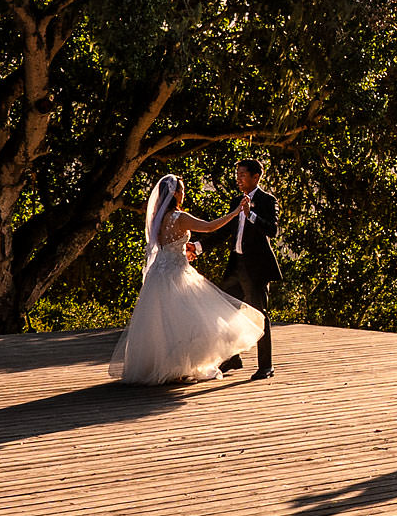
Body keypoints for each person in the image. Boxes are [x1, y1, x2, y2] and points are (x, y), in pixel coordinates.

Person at [108, 175, 268, 385]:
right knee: (190, 320)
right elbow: (210, 227)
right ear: (174, 193)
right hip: (177, 273)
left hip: (159, 273)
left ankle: (165, 367)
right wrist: (236, 212)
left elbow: (167, 244)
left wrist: (186, 251)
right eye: (182, 190)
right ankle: (180, 367)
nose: (184, 193)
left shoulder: (158, 217)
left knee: (163, 322)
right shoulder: (179, 217)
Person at [198, 157, 281, 378]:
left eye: (242, 175)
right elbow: (224, 231)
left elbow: (273, 231)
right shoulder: (236, 200)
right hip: (235, 265)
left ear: (256, 177)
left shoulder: (267, 200)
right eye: (237, 175)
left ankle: (266, 366)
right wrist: (197, 247)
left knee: (259, 315)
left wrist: (250, 215)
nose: (238, 179)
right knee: (223, 310)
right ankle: (233, 358)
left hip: (256, 268)